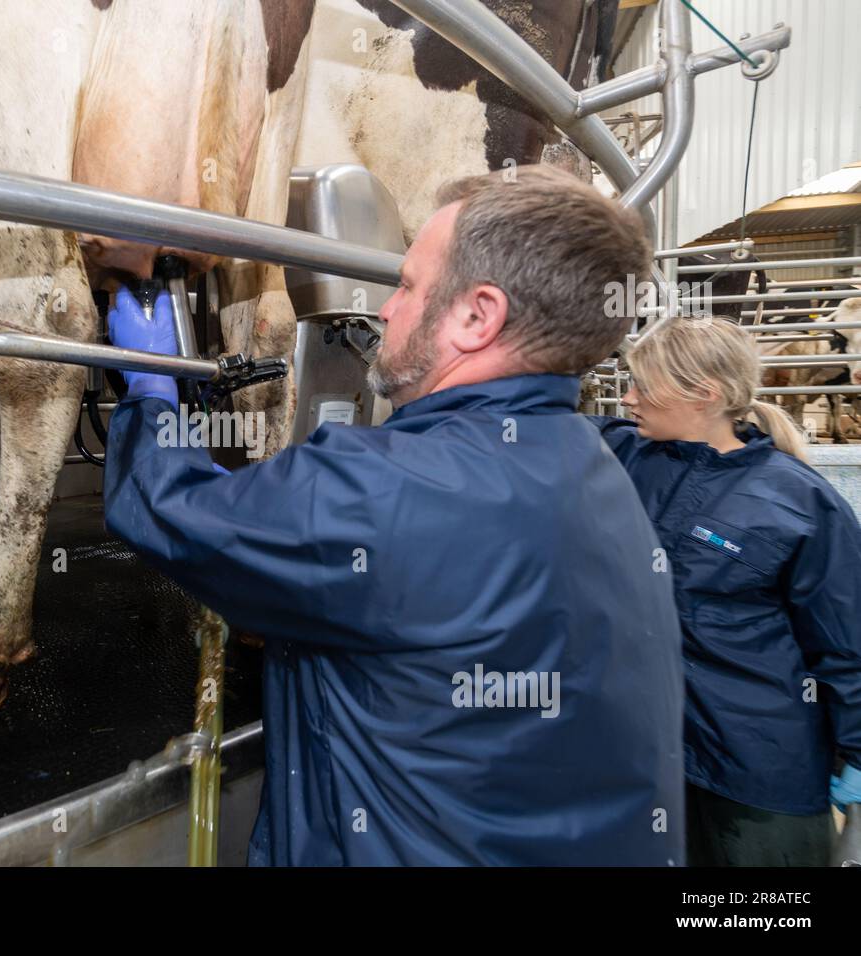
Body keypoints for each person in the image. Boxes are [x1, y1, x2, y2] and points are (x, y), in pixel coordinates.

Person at [103, 165, 685, 865]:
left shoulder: (380, 488)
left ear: (478, 316)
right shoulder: (603, 467)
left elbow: (165, 507)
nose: (385, 310)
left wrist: (148, 383)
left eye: (406, 287)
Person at [591, 316, 861, 866]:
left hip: (756, 772)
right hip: (649, 760)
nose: (628, 396)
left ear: (703, 395)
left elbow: (847, 641)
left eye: (643, 384)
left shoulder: (796, 502)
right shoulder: (625, 457)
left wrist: (858, 752)